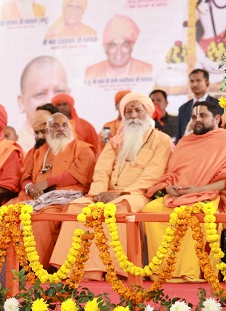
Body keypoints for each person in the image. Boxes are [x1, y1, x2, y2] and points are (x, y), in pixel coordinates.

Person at [50, 92, 173, 280]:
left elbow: (153, 174)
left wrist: (121, 194)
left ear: (148, 113)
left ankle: (115, 270)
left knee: (118, 210)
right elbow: (101, 171)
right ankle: (78, 269)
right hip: (106, 193)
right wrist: (98, 193)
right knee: (77, 208)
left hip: (137, 194)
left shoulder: (162, 140)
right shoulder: (116, 141)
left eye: (138, 110)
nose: (133, 115)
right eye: (128, 111)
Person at [142, 101, 226, 282]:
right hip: (179, 196)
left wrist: (200, 189)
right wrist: (169, 187)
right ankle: (160, 271)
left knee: (193, 216)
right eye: (194, 117)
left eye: (202, 115)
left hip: (209, 196)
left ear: (217, 118)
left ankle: (189, 272)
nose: (197, 120)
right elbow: (171, 174)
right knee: (149, 211)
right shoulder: (185, 142)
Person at [10, 112, 96, 268]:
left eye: (64, 125)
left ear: (70, 128)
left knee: (41, 222)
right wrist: (30, 187)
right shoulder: (38, 151)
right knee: (6, 214)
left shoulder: (83, 149)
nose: (60, 128)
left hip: (64, 200)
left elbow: (77, 175)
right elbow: (26, 177)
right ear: (48, 130)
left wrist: (46, 183)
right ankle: (5, 270)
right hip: (34, 198)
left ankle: (35, 270)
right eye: (55, 126)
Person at [16, 55, 70, 151]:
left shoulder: (83, 136)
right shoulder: (16, 151)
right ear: (22, 103)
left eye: (59, 91)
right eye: (40, 94)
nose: (51, 101)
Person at [84, 15, 153, 82]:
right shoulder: (91, 72)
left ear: (131, 46)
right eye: (113, 45)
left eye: (124, 45)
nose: (119, 51)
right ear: (105, 48)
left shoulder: (147, 70)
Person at [177, 69, 220, 141]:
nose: (194, 84)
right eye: (192, 81)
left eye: (198, 81)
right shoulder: (183, 108)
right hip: (188, 146)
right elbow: (179, 136)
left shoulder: (219, 105)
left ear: (207, 83)